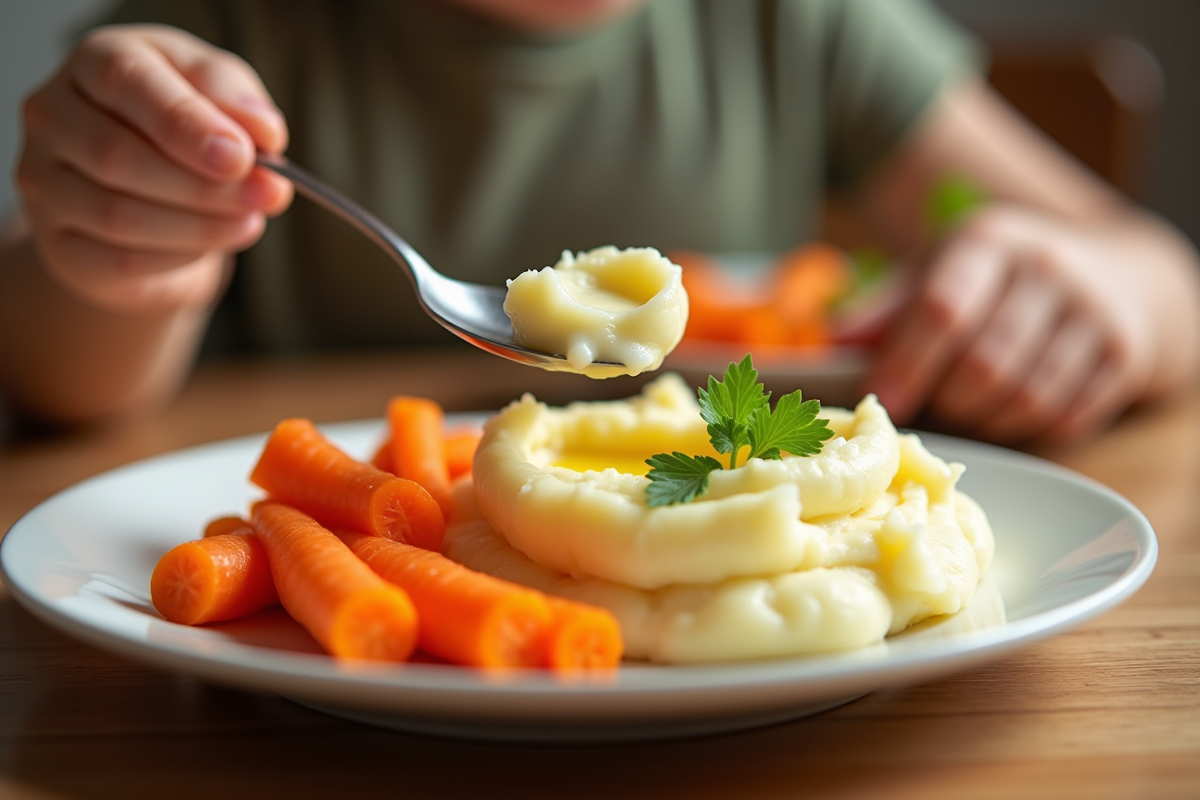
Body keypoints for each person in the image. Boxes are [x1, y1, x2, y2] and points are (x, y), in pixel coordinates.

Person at [1, 0, 1197, 444]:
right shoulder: (246, 26)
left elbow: (1162, 273)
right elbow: (63, 385)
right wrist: (123, 258)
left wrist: (1115, 297)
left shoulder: (809, 21)